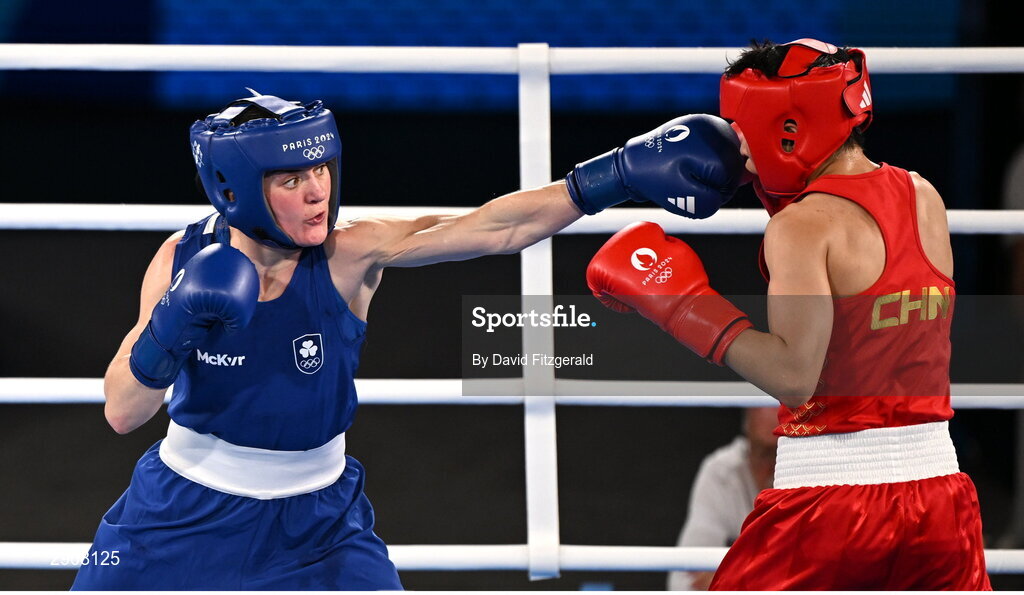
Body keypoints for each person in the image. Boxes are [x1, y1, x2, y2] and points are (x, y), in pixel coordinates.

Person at [70, 91, 745, 590]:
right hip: (179, 512)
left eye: (321, 171)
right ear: (237, 188)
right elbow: (123, 410)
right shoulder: (182, 260)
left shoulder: (348, 255)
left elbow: (493, 228)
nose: (318, 193)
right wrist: (176, 319)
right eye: (291, 179)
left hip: (318, 526)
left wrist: (612, 177)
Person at [584, 39, 991, 589]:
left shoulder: (802, 226)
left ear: (790, 126)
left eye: (744, 124)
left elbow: (794, 377)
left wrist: (679, 304)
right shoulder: (924, 196)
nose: (736, 145)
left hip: (831, 501)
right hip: (940, 495)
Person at [667, 407, 777, 591]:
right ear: (748, 411)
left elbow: (814, 574)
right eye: (767, 400)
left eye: (779, 401)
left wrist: (732, 579)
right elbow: (686, 578)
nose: (775, 410)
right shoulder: (720, 470)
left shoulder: (812, 471)